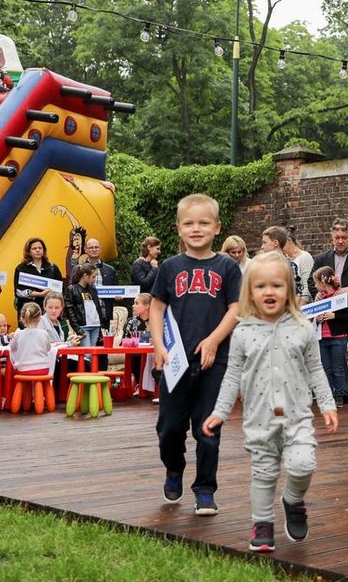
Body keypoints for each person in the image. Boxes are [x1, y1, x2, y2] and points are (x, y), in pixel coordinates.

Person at [201, 252, 338, 553]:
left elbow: (316, 369)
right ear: (250, 292)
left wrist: (327, 405)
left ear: (288, 289)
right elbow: (232, 375)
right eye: (261, 286)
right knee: (263, 474)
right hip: (258, 419)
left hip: (298, 415)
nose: (269, 292)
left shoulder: (302, 327)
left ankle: (292, 499)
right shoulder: (242, 332)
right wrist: (219, 412)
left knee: (303, 464)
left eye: (276, 285)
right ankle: (262, 523)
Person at [150, 194, 241, 517]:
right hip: (175, 363)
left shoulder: (227, 267)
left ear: (217, 227)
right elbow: (157, 306)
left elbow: (236, 308)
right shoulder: (170, 268)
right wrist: (159, 345)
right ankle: (174, 468)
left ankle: (205, 489)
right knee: (170, 428)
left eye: (204, 223)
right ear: (178, 228)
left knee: (208, 428)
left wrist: (215, 340)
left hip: (214, 363)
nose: (196, 228)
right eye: (189, 223)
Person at [307, 217, 348, 403]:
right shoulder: (321, 259)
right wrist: (317, 292)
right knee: (337, 357)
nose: (340, 241)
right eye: (337, 237)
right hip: (332, 318)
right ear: (332, 236)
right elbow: (311, 280)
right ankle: (343, 393)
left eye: (344, 237)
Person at [311, 266, 348, 407]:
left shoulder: (340, 296)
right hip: (322, 337)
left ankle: (339, 396)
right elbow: (312, 315)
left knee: (338, 368)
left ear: (323, 282)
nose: (315, 286)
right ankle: (328, 394)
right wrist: (318, 318)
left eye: (316, 283)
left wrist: (334, 316)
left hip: (338, 337)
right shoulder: (319, 299)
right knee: (326, 368)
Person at [13, 237, 63, 322]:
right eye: (34, 248)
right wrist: (40, 294)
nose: (37, 250)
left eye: (40, 248)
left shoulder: (52, 267)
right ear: (28, 251)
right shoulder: (21, 268)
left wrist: (52, 293)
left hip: (50, 310)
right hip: (29, 310)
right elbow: (19, 291)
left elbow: (61, 289)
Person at [64, 262, 108, 348]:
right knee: (87, 354)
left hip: (95, 325)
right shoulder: (72, 289)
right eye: (93, 277)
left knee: (93, 352)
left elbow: (97, 307)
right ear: (85, 276)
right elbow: (69, 310)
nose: (95, 279)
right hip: (83, 326)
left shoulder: (93, 289)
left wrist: (100, 325)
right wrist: (77, 328)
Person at [260, 226, 306, 303]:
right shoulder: (261, 266)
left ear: (275, 243)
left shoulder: (289, 265)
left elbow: (297, 293)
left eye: (265, 242)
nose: (262, 246)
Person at [9, 302, 55, 376]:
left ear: (22, 318)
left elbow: (13, 348)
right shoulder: (44, 333)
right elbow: (48, 349)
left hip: (23, 369)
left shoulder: (18, 334)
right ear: (40, 318)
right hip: (43, 368)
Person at [79, 238, 119, 321]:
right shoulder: (79, 269)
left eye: (96, 247)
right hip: (84, 314)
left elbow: (116, 289)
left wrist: (118, 296)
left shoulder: (110, 270)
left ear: (100, 249)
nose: (94, 250)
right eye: (91, 247)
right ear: (85, 250)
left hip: (104, 313)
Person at [283, 226, 313, 294]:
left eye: (281, 243)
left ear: (289, 240)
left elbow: (307, 288)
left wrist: (299, 304)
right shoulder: (284, 259)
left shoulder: (305, 257)